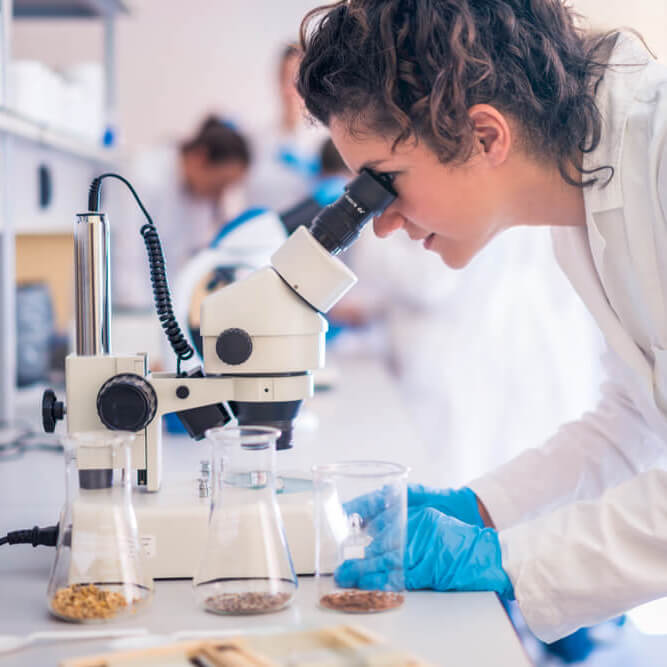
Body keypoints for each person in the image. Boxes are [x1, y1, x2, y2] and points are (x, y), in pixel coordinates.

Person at [297, 0, 667, 645]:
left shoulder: (657, 153)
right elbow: (638, 416)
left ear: (486, 135)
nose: (380, 221)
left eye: (385, 182)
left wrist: (511, 561)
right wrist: (483, 509)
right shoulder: (588, 198)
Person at [111, 115, 251, 311]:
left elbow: (191, 259)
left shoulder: (199, 197)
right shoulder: (144, 175)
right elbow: (127, 257)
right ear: (200, 158)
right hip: (125, 308)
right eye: (220, 183)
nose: (220, 194)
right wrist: (144, 315)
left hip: (161, 312)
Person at [244, 44, 327, 211]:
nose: (290, 90)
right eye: (285, 79)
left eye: (297, 80)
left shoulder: (326, 141)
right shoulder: (256, 138)